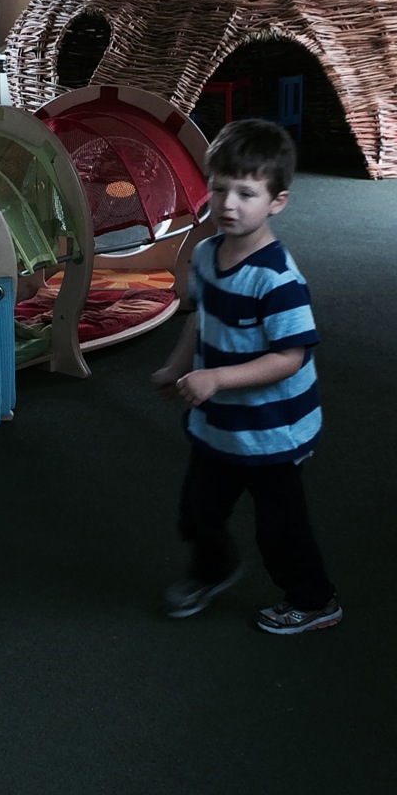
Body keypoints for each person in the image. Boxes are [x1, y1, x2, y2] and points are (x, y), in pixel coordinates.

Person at [152, 117, 339, 635]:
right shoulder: (206, 255)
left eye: (246, 193)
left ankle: (315, 601)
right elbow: (202, 317)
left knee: (280, 530)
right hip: (221, 425)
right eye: (219, 189)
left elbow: (289, 358)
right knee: (197, 513)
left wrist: (216, 379)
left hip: (273, 430)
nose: (228, 204)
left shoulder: (277, 279)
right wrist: (178, 366)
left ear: (277, 202)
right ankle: (213, 570)